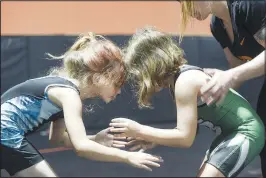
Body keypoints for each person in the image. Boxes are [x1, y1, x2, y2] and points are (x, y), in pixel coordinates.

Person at [0, 32, 162, 177]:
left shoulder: (65, 94)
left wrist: (95, 139)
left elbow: (57, 139)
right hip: (5, 132)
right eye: (118, 83)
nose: (119, 91)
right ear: (100, 78)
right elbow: (82, 148)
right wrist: (128, 156)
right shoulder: (69, 95)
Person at [109, 27, 265, 177]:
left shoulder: (185, 82)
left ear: (151, 65)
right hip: (230, 133)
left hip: (246, 132)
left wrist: (139, 130)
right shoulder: (178, 81)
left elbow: (185, 138)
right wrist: (153, 139)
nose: (141, 81)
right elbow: (191, 129)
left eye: (141, 74)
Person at [177, 1, 265, 176]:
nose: (186, 10)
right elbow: (236, 66)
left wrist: (230, 77)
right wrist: (214, 84)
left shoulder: (249, 6)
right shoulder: (217, 26)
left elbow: (234, 75)